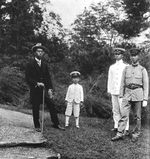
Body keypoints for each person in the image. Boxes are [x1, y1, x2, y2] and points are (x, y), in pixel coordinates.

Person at [111, 48, 149, 142]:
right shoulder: (126, 68)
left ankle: (136, 134)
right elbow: (122, 83)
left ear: (138, 56)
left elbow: (146, 85)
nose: (133, 57)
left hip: (138, 94)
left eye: (135, 55)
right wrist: (121, 94)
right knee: (123, 115)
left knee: (137, 117)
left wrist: (145, 99)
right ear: (130, 57)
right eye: (132, 56)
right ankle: (120, 133)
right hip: (127, 94)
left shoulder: (142, 70)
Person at [25, 43, 65, 132]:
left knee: (51, 104)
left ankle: (56, 123)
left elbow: (48, 77)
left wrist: (50, 89)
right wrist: (36, 83)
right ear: (35, 52)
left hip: (43, 90)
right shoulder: (30, 64)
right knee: (35, 107)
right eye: (38, 51)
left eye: (42, 51)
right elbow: (27, 78)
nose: (40, 53)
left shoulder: (44, 64)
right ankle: (37, 125)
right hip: (35, 89)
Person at [107, 47, 129, 135]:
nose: (117, 55)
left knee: (123, 110)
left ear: (122, 55)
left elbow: (127, 80)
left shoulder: (126, 66)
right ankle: (116, 126)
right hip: (113, 91)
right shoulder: (112, 67)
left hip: (122, 92)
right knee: (115, 110)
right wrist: (109, 90)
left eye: (118, 54)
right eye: (115, 54)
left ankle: (125, 128)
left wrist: (126, 91)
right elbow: (110, 79)